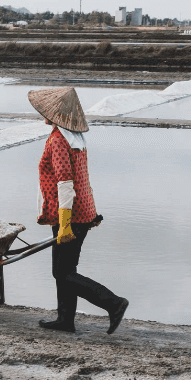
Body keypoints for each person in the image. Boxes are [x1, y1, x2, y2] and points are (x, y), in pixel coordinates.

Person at [29, 87, 128, 334]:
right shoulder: (75, 139)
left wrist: (64, 224)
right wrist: (90, 214)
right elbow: (83, 179)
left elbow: (65, 182)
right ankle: (65, 320)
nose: (45, 114)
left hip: (69, 214)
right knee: (66, 270)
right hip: (82, 212)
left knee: (61, 272)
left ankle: (113, 303)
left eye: (49, 111)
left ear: (58, 115)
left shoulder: (59, 141)